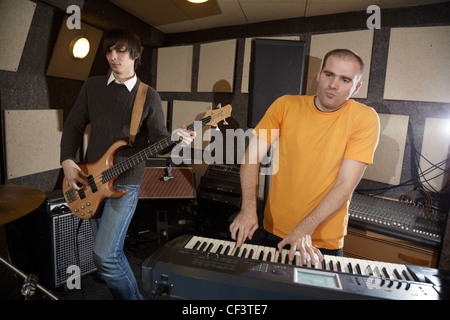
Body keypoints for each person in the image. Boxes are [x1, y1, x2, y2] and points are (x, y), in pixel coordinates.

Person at [60, 28, 195, 300]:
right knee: (102, 259)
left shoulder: (149, 96)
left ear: (135, 54)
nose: (113, 56)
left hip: (126, 184)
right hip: (91, 180)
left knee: (105, 256)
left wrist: (178, 139)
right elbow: (74, 124)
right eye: (109, 51)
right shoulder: (93, 86)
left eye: (120, 50)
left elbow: (159, 140)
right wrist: (67, 161)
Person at [230, 49, 380, 266]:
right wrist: (248, 209)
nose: (333, 84)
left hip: (320, 241)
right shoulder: (285, 105)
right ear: (319, 75)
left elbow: (345, 184)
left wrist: (304, 228)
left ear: (356, 86)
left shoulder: (365, 119)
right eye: (329, 74)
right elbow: (251, 158)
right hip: (273, 230)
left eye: (345, 79)